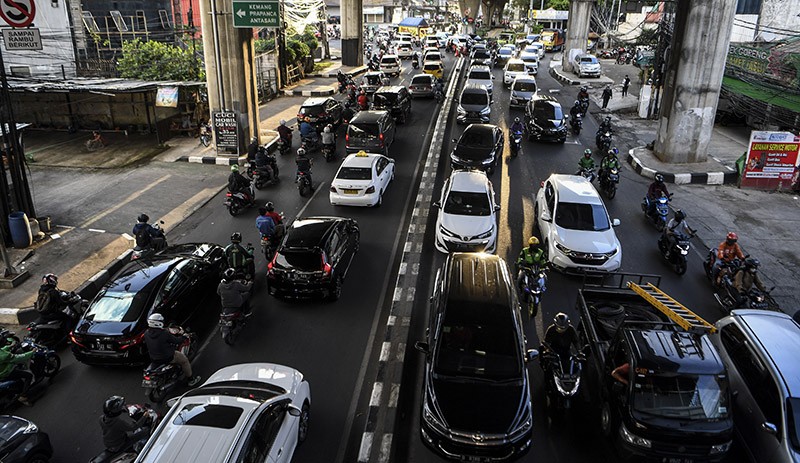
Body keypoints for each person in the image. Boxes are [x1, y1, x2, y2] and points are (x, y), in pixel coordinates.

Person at [143, 313, 201, 386]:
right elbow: (176, 341)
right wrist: (184, 337)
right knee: (184, 361)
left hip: (154, 358)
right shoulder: (164, 333)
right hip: (168, 357)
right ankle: (191, 379)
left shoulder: (146, 333)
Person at [0, 336, 34, 406]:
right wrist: (31, 352)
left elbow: (2, 350)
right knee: (29, 375)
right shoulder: (4, 355)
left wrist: (10, 346)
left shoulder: (2, 353)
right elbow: (18, 357)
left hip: (2, 370)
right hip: (6, 372)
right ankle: (23, 396)